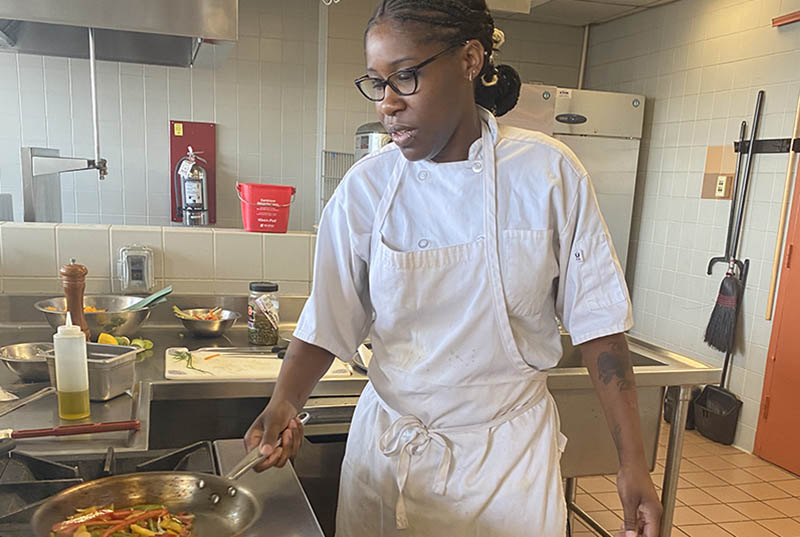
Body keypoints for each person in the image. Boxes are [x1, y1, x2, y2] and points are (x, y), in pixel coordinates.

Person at [244, 0, 662, 535]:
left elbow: (599, 327)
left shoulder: (548, 174)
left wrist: (633, 465)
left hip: (505, 469)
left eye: (406, 77)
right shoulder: (366, 189)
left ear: (469, 60)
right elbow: (328, 320)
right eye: (377, 82)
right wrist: (283, 402)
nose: (387, 105)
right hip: (389, 457)